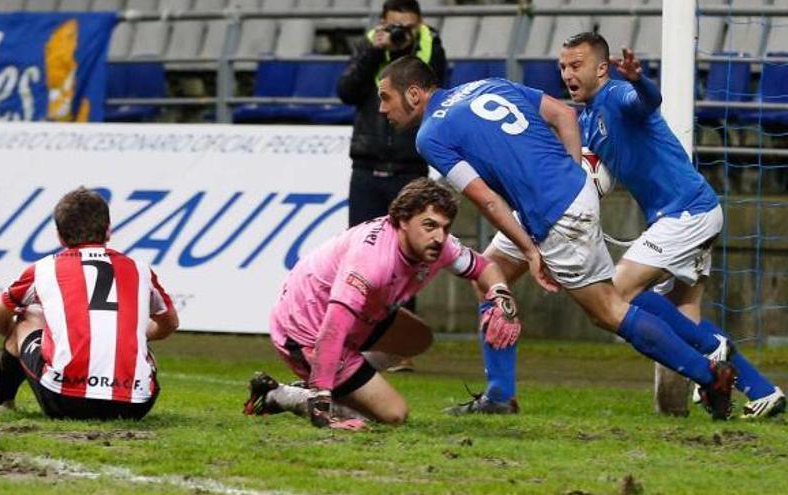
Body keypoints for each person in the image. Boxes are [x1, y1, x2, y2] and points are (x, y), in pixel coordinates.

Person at [378, 56, 739, 420]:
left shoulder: (430, 136)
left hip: (553, 212)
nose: (382, 108)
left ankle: (710, 375)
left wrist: (530, 250)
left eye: (385, 97)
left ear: (413, 94)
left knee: (608, 311)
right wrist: (573, 176)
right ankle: (499, 394)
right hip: (560, 195)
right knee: (490, 275)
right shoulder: (489, 84)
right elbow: (564, 116)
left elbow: (486, 199)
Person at [558, 32, 785, 418]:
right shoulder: (587, 118)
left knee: (618, 293)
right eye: (562, 66)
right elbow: (594, 171)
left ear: (601, 68)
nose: (567, 73)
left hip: (685, 213)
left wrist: (638, 80)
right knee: (683, 315)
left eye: (575, 65)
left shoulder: (617, 96)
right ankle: (763, 391)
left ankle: (714, 350)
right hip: (690, 213)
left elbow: (648, 101)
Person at [243, 178, 521, 429]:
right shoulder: (372, 262)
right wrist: (321, 403)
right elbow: (333, 329)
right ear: (402, 220)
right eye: (429, 225)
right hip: (306, 331)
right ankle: (285, 395)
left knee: (416, 338)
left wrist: (500, 296)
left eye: (445, 227)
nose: (438, 236)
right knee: (394, 415)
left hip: (355, 316)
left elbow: (485, 267)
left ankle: (337, 384)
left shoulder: (439, 245)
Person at [0, 187, 179, 420]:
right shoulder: (140, 270)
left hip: (65, 401)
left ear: (59, 236)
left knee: (28, 316)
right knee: (138, 345)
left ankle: (0, 400)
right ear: (108, 231)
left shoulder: (44, 269)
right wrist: (135, 334)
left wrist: (13, 336)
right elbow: (170, 323)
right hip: (135, 405)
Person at [337, 0, 448, 374]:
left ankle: (399, 348)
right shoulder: (369, 46)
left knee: (409, 259)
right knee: (362, 258)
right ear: (383, 23)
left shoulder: (431, 47)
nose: (402, 33)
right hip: (367, 167)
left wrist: (415, 51)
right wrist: (375, 51)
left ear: (420, 25)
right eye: (396, 26)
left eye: (409, 28)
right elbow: (346, 91)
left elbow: (440, 94)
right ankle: (355, 341)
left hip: (409, 168)